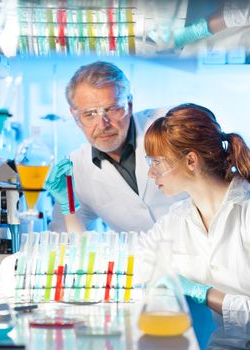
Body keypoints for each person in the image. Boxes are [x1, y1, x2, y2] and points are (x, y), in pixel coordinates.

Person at [137, 103, 250, 333]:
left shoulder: (246, 214)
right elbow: (130, 267)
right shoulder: (174, 221)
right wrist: (71, 211)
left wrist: (206, 295)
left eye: (156, 162)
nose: (151, 173)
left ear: (190, 160)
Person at [46, 61, 184, 233]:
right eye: (89, 114)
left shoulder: (170, 124)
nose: (103, 125)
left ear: (130, 105)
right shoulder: (75, 169)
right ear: (74, 116)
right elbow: (64, 239)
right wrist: (67, 207)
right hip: (140, 259)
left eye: (112, 109)